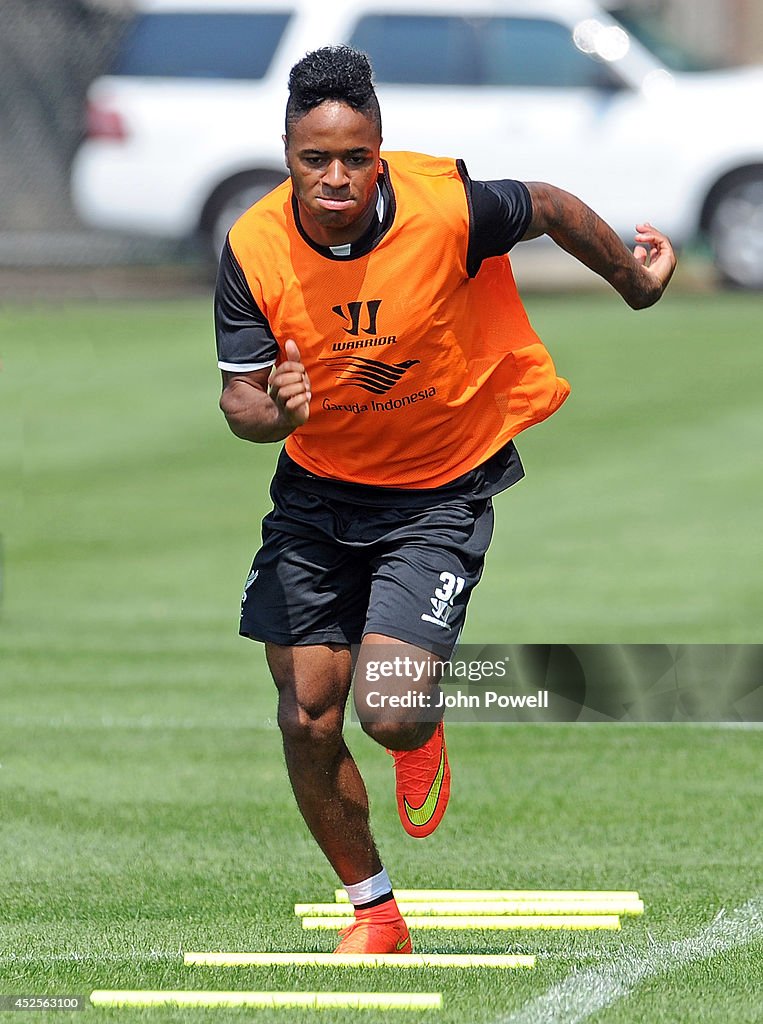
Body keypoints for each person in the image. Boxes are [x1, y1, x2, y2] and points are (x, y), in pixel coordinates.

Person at [214, 45, 675, 955]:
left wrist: (631, 280)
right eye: (315, 160)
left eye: (354, 158)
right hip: (317, 495)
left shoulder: (447, 208)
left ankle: (416, 727)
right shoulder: (252, 246)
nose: (335, 178)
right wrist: (276, 411)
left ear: (379, 150)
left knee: (385, 707)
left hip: (438, 488)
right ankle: (375, 915)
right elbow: (238, 398)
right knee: (307, 711)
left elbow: (544, 205)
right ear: (286, 154)